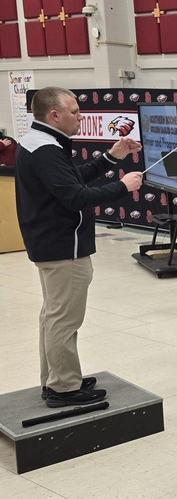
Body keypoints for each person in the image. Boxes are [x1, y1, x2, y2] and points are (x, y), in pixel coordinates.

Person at [15, 86, 144, 407]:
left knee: (53, 315)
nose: (80, 116)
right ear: (53, 115)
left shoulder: (40, 141)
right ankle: (64, 388)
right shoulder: (45, 148)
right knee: (64, 319)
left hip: (50, 243)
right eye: (74, 112)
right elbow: (74, 196)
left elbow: (72, 178)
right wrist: (122, 186)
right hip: (62, 246)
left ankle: (57, 377)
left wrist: (112, 157)